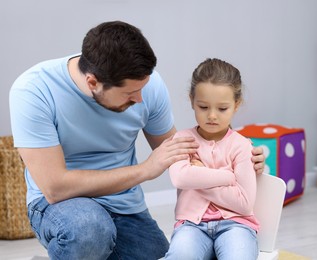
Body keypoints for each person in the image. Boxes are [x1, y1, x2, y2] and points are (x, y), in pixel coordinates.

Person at [9, 21, 264, 260]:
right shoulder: (33, 91)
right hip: (62, 206)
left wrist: (241, 156)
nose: (140, 100)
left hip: (124, 206)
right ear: (93, 82)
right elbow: (55, 188)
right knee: (90, 230)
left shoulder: (147, 86)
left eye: (143, 88)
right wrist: (145, 170)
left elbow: (185, 153)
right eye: (130, 94)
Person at [165, 58, 259, 260]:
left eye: (222, 108)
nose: (212, 116)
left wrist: (199, 175)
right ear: (192, 101)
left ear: (236, 104)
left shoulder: (242, 146)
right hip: (191, 225)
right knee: (180, 256)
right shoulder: (182, 140)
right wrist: (226, 176)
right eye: (203, 107)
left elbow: (243, 204)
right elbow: (180, 178)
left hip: (236, 224)